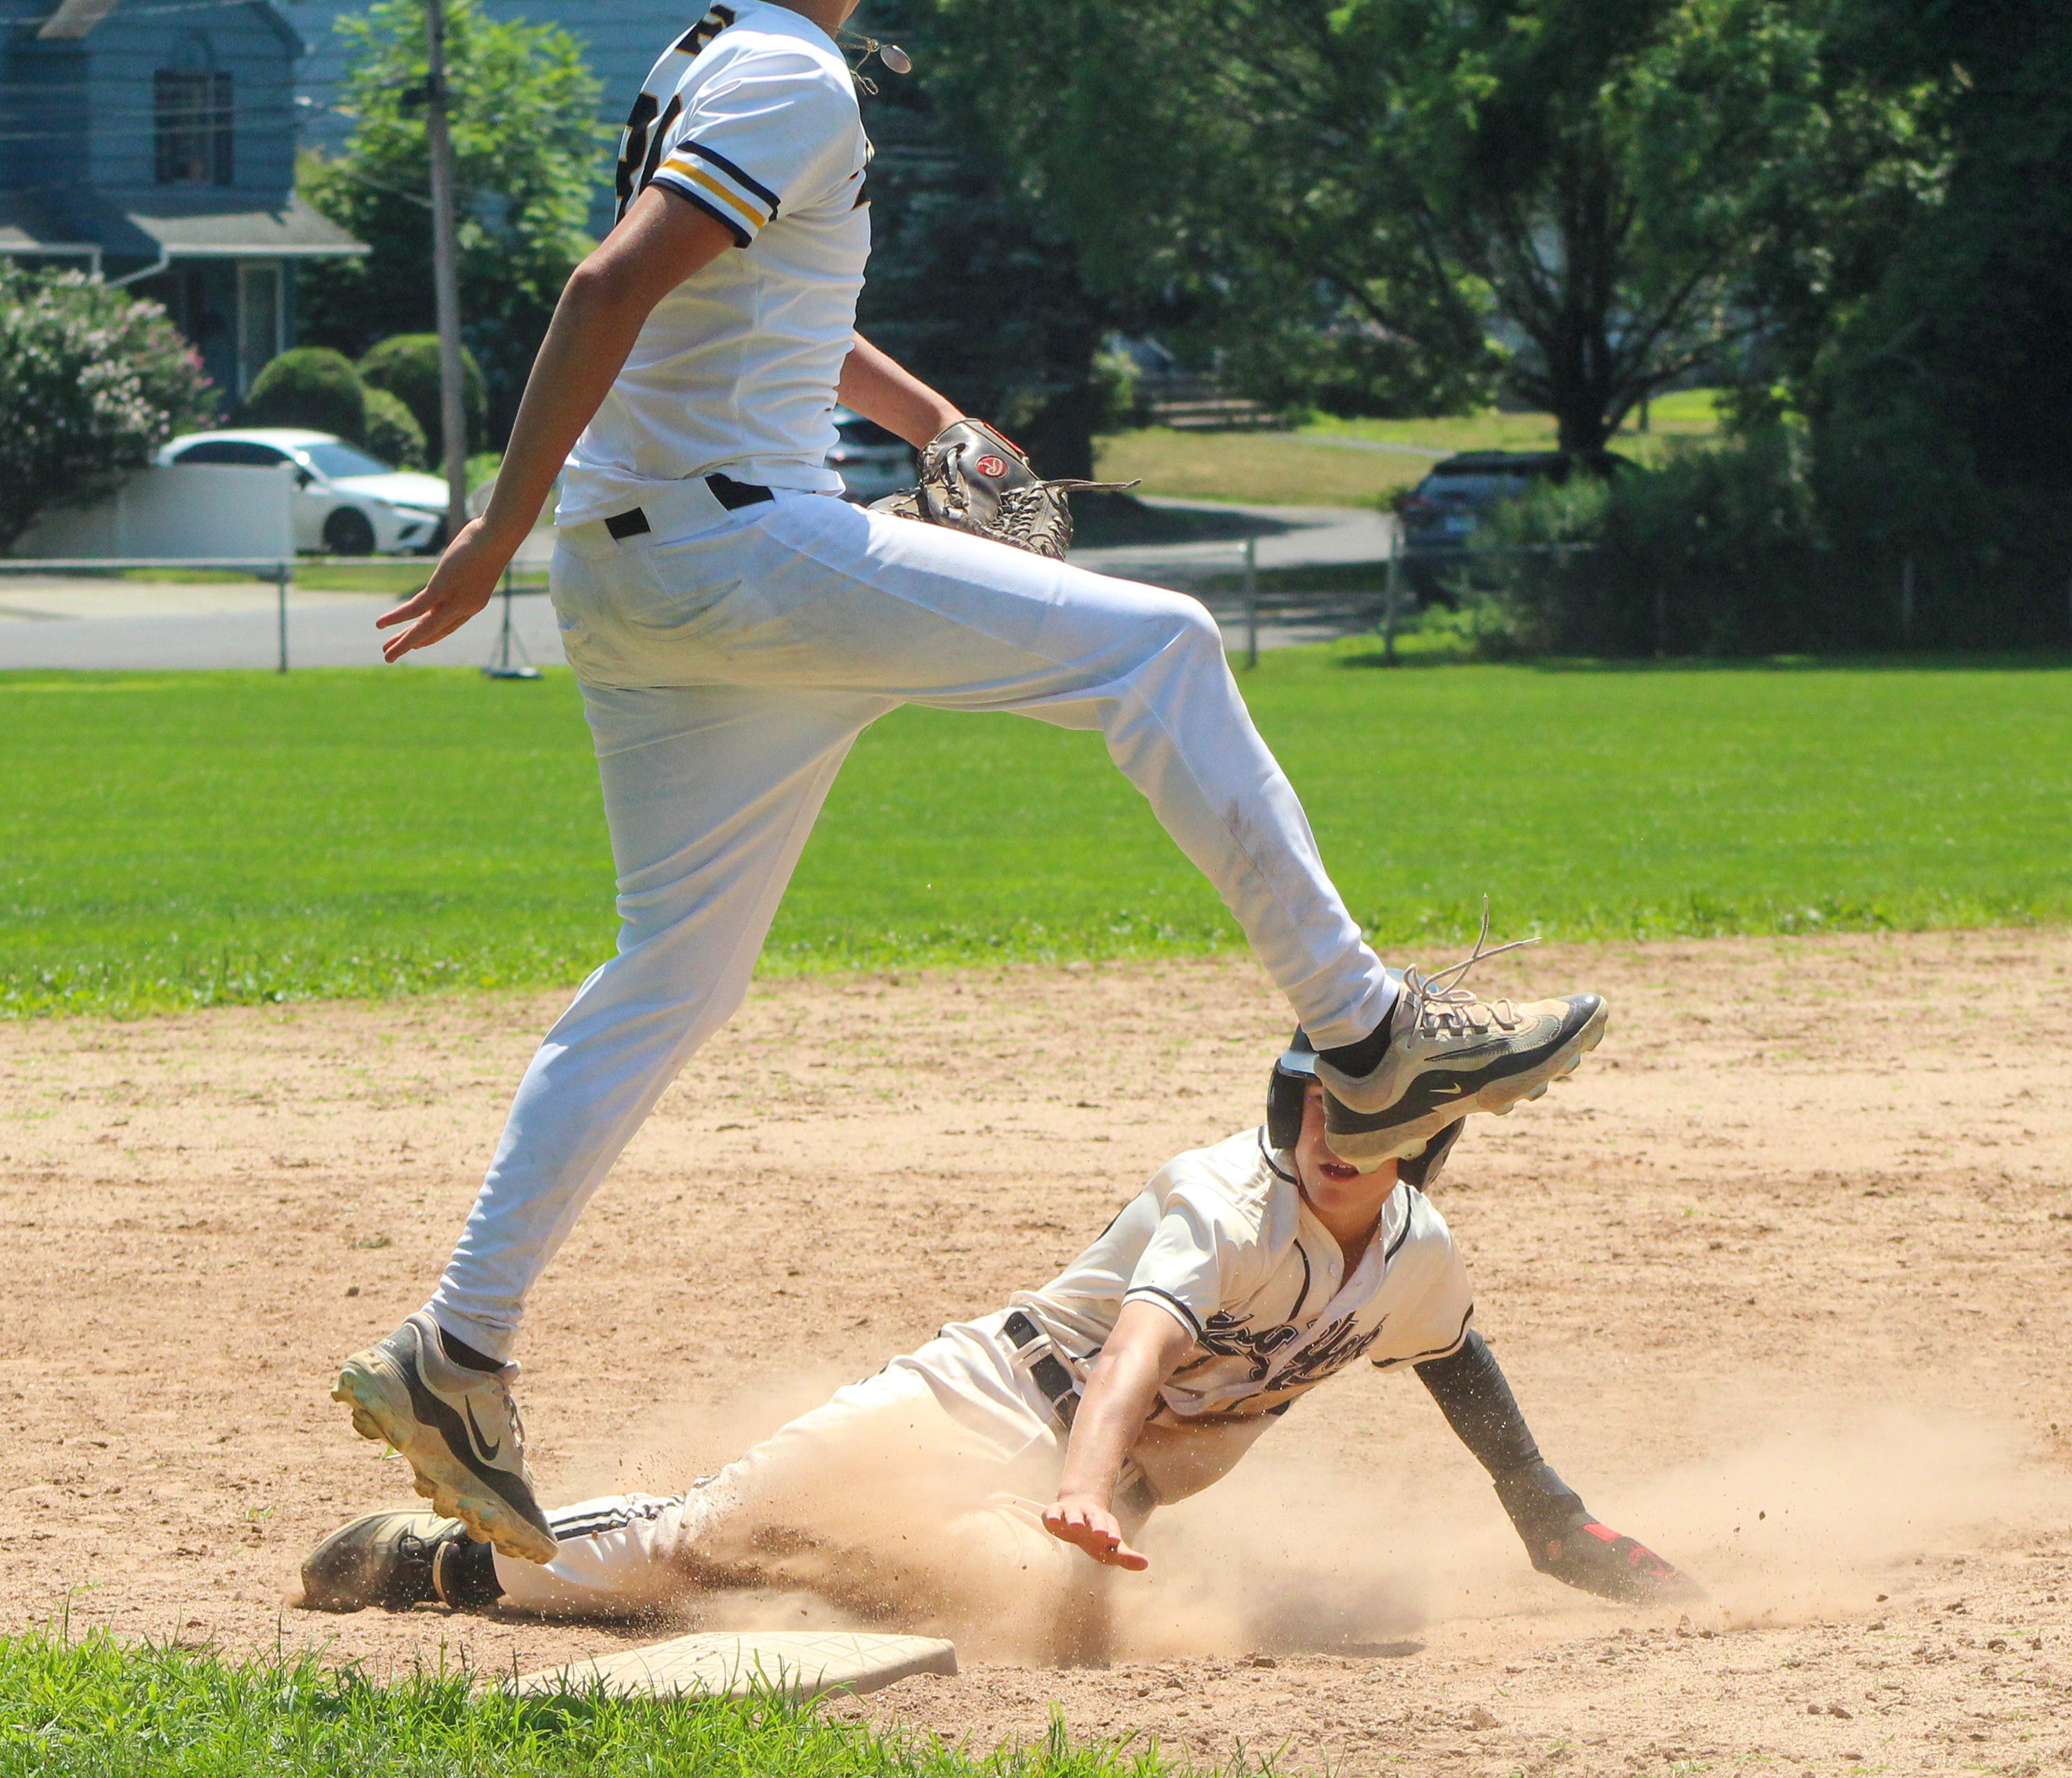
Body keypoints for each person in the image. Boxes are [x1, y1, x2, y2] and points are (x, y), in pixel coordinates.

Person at [333, 0, 1607, 1565]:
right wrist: (490, 523)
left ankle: (457, 1347)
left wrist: (930, 420)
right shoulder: (793, 69)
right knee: (1161, 647)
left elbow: (748, 302)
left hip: (648, 574)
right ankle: (1366, 1029)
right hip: (741, 551)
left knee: (669, 977)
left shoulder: (713, 54)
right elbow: (608, 289)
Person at [301, 1043, 1696, 1640]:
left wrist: (1552, 1519)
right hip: (985, 1400)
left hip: (1096, 1496)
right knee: (701, 1542)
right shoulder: (1228, 1202)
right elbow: (1136, 1351)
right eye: (1322, 1101)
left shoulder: (1416, 1257)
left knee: (931, 1602)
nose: (1337, 1132)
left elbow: (1455, 1359)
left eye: (1373, 1114)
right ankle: (439, 1559)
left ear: (1424, 1140)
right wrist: (1082, 1482)